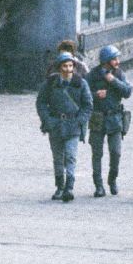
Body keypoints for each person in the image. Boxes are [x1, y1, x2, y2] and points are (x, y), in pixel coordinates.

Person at [36, 52, 93, 202]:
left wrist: (80, 121)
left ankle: (69, 187)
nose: (68, 69)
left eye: (70, 66)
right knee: (57, 158)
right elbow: (41, 103)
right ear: (59, 68)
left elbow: (88, 105)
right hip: (55, 124)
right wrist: (47, 120)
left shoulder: (81, 83)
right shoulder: (50, 83)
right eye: (65, 66)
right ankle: (59, 186)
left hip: (73, 124)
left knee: (71, 156)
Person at [86, 45, 132, 197]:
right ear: (106, 61)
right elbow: (83, 95)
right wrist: (95, 95)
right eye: (114, 59)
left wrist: (113, 81)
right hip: (97, 118)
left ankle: (112, 180)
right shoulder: (92, 74)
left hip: (114, 118)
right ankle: (98, 185)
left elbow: (127, 92)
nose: (118, 61)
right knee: (97, 153)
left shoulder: (119, 74)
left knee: (116, 152)